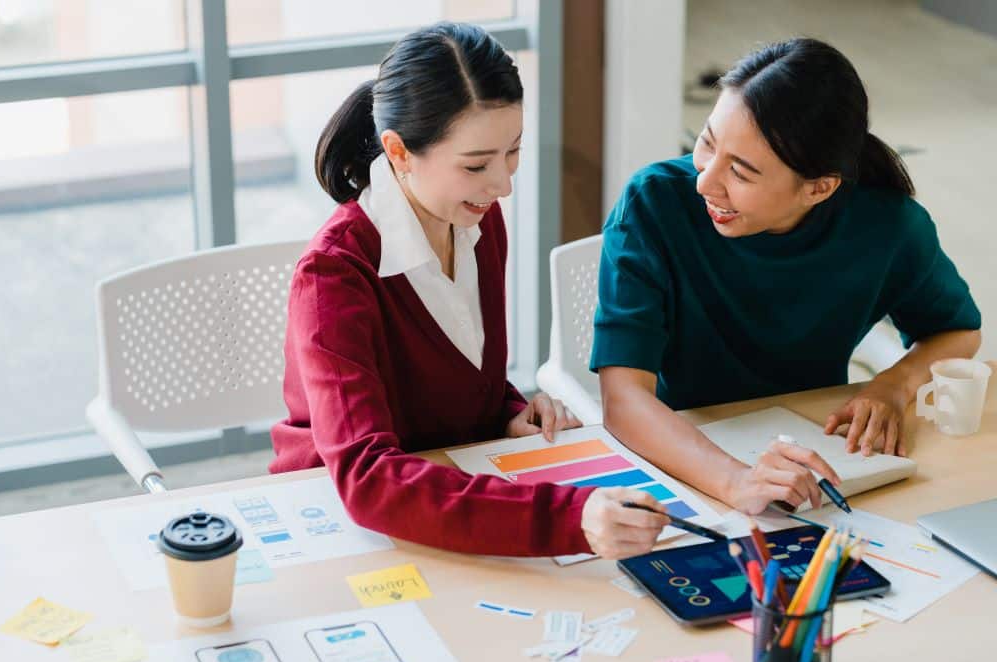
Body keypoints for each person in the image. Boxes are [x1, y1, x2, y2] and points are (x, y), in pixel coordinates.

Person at [271, 22, 668, 559]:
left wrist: (504, 410)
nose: (503, 184)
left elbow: (455, 368)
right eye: (477, 164)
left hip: (450, 485)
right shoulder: (334, 276)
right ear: (400, 152)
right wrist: (568, 518)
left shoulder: (476, 219)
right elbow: (367, 477)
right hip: (343, 524)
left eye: (513, 152)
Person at [593, 38, 982, 515]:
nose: (705, 182)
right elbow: (624, 398)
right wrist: (737, 482)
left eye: (740, 172)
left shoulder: (888, 226)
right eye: (707, 142)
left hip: (815, 448)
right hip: (683, 455)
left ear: (818, 188)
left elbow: (957, 331)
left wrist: (892, 387)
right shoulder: (653, 204)